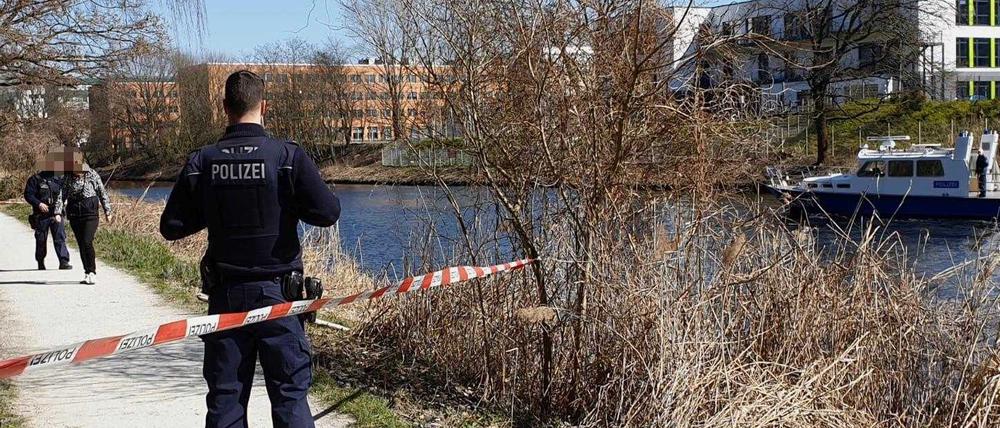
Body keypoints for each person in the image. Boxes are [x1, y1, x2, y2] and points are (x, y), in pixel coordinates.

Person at [159, 70, 340, 428]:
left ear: (224, 106)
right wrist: (287, 201)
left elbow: (172, 227)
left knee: (226, 400)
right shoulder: (287, 157)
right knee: (290, 397)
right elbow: (328, 212)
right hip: (280, 298)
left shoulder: (203, 161)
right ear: (264, 106)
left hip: (226, 299)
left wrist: (213, 208)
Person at [55, 154, 112, 284]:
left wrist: (107, 210)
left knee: (87, 241)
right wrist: (58, 212)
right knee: (81, 244)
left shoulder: (92, 174)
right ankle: (87, 272)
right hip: (75, 213)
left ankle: (92, 271)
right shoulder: (67, 177)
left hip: (90, 213)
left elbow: (102, 192)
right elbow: (61, 195)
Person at [23, 166, 72, 271]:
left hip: (56, 214)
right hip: (40, 215)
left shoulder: (60, 179)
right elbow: (28, 195)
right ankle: (40, 261)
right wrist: (38, 203)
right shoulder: (35, 179)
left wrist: (60, 210)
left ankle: (64, 261)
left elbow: (64, 194)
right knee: (41, 239)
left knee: (60, 237)